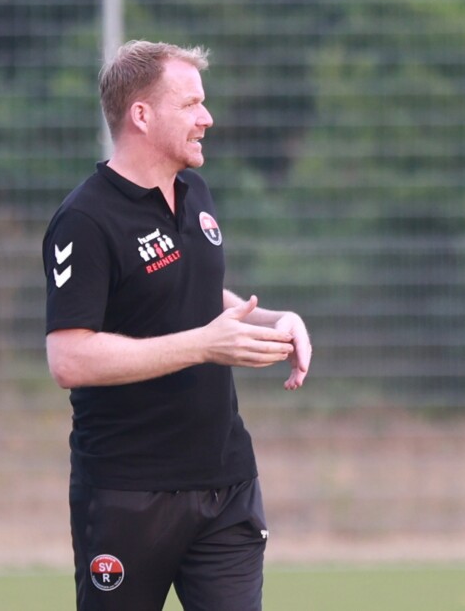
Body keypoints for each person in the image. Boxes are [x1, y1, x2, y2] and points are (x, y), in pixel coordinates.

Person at [43, 41, 312, 611]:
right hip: (127, 493)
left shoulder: (195, 192)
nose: (206, 118)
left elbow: (190, 292)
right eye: (190, 104)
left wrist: (273, 321)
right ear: (141, 115)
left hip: (226, 483)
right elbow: (70, 359)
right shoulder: (84, 221)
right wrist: (203, 345)